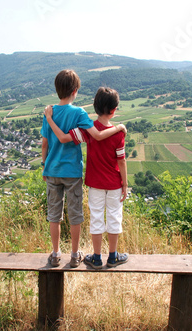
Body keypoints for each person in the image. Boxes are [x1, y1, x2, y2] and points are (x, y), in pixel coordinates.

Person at [41, 70, 126, 268]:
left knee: (54, 215)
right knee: (76, 214)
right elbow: (97, 135)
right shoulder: (79, 114)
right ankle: (74, 254)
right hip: (73, 173)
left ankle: (55, 254)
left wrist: (44, 165)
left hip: (53, 171)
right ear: (75, 90)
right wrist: (119, 127)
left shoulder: (49, 112)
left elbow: (45, 144)